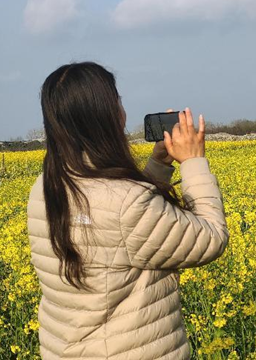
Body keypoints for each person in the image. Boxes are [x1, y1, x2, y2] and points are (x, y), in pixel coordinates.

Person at [27, 61, 229, 359]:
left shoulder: (45, 187)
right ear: (107, 116)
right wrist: (193, 163)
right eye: (116, 101)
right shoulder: (125, 202)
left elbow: (120, 230)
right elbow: (211, 239)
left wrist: (159, 165)